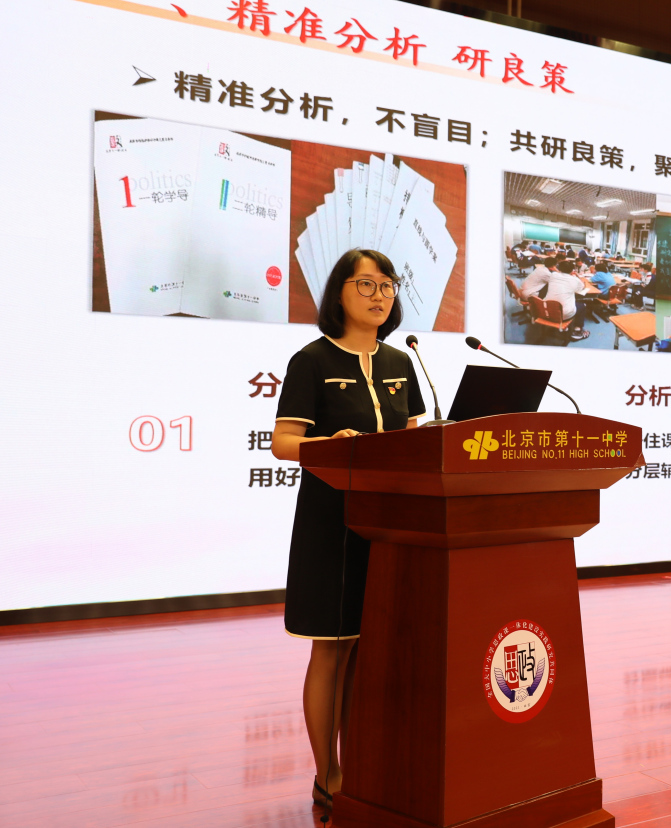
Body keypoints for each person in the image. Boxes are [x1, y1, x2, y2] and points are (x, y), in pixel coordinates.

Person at [270, 249, 426, 815]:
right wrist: (328, 446)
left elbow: (414, 438)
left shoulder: (400, 363)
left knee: (371, 652)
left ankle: (363, 764)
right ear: (338, 291)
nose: (379, 295)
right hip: (330, 525)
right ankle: (328, 774)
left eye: (387, 285)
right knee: (333, 652)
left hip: (388, 527)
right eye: (366, 284)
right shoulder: (312, 361)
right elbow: (283, 443)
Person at [521, 259, 592, 341]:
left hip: (544, 311)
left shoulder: (553, 275)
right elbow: (582, 287)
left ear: (559, 268)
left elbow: (557, 273)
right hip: (562, 315)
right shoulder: (575, 280)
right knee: (582, 306)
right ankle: (577, 331)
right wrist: (576, 276)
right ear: (572, 270)